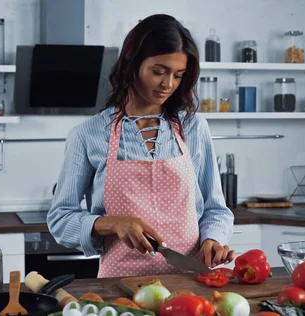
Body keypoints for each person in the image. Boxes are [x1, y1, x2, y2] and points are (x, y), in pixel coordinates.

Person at [48, 14, 235, 278]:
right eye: (159, 71)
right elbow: (60, 219)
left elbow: (216, 209)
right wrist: (112, 224)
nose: (167, 84)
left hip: (190, 284)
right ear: (132, 64)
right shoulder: (87, 135)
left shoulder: (193, 127)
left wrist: (212, 240)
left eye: (178, 75)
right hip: (120, 287)